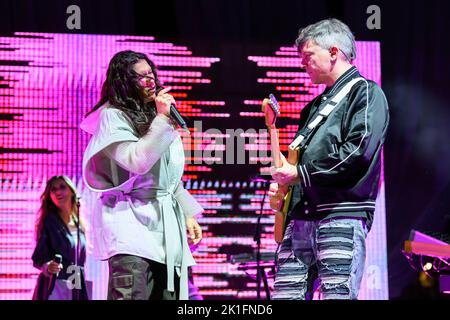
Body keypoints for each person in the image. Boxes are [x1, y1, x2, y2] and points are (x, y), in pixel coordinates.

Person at [268, 18, 389, 300]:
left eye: (307, 56)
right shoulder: (313, 107)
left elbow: (358, 151)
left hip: (342, 215)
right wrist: (286, 189)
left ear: (333, 52)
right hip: (300, 219)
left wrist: (299, 175)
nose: (302, 64)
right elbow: (299, 163)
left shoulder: (367, 93)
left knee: (337, 296)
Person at [80, 50, 203, 300]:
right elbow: (137, 160)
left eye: (151, 74)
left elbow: (170, 178)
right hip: (131, 229)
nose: (150, 81)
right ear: (124, 82)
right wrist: (161, 118)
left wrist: (187, 214)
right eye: (141, 77)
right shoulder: (112, 116)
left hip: (166, 230)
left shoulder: (157, 119)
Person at [31, 175, 89, 300]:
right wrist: (48, 266)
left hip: (75, 284)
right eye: (53, 189)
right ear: (49, 195)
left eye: (62, 187)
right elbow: (38, 257)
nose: (58, 191)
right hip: (55, 285)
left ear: (72, 192)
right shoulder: (49, 222)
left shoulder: (80, 224)